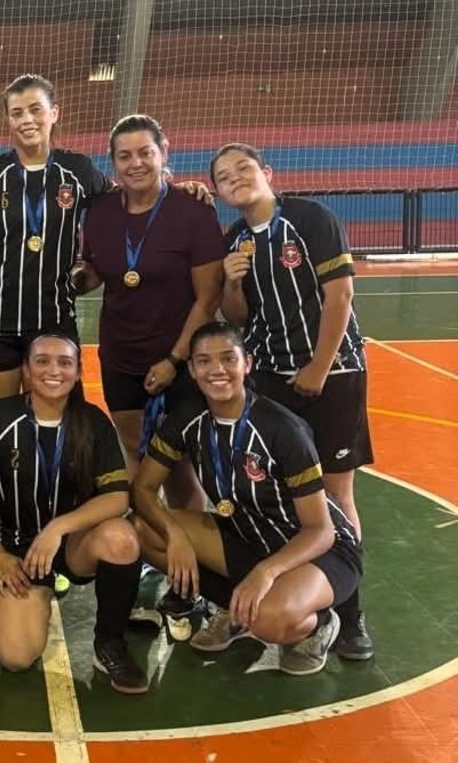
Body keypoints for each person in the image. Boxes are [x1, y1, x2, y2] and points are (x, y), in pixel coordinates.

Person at [211, 143, 374, 660]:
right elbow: (236, 317)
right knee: (275, 488)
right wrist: (232, 281)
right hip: (271, 378)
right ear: (217, 191)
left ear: (267, 173)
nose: (234, 178)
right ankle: (272, 588)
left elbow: (340, 295)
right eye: (223, 176)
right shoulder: (233, 239)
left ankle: (350, 616)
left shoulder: (309, 218)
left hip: (333, 372)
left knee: (336, 493)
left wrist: (318, 369)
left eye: (242, 168)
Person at [133, 322, 364, 676]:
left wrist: (265, 572)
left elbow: (321, 531)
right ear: (192, 369)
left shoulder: (282, 429)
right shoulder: (187, 419)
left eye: (228, 358)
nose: (217, 370)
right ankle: (237, 609)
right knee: (144, 531)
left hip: (317, 550)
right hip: (249, 535)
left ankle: (318, 624)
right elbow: (143, 489)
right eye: (205, 361)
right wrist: (174, 533)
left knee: (270, 621)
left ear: (248, 363)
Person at [0, 333, 148, 694]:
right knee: (17, 656)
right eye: (43, 361)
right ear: (27, 370)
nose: (54, 370)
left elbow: (116, 497)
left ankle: (109, 643)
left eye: (65, 362)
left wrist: (57, 528)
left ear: (79, 371)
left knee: (121, 538)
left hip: (69, 546)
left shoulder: (92, 423)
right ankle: (38, 594)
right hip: (12, 549)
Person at [77, 115, 224, 508]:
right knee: (133, 453)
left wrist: (174, 361)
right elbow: (96, 269)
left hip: (177, 357)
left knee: (175, 462)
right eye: (124, 156)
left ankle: (185, 554)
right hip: (121, 356)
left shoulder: (193, 211)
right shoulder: (101, 211)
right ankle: (147, 545)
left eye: (145, 152)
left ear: (164, 152)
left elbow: (208, 299)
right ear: (113, 163)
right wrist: (75, 277)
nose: (136, 163)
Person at [0, 74, 111, 410]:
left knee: (59, 425)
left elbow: (123, 211)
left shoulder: (79, 170)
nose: (26, 120)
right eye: (17, 113)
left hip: (53, 320)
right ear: (8, 120)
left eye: (35, 109)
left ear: (54, 113)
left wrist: (95, 271)